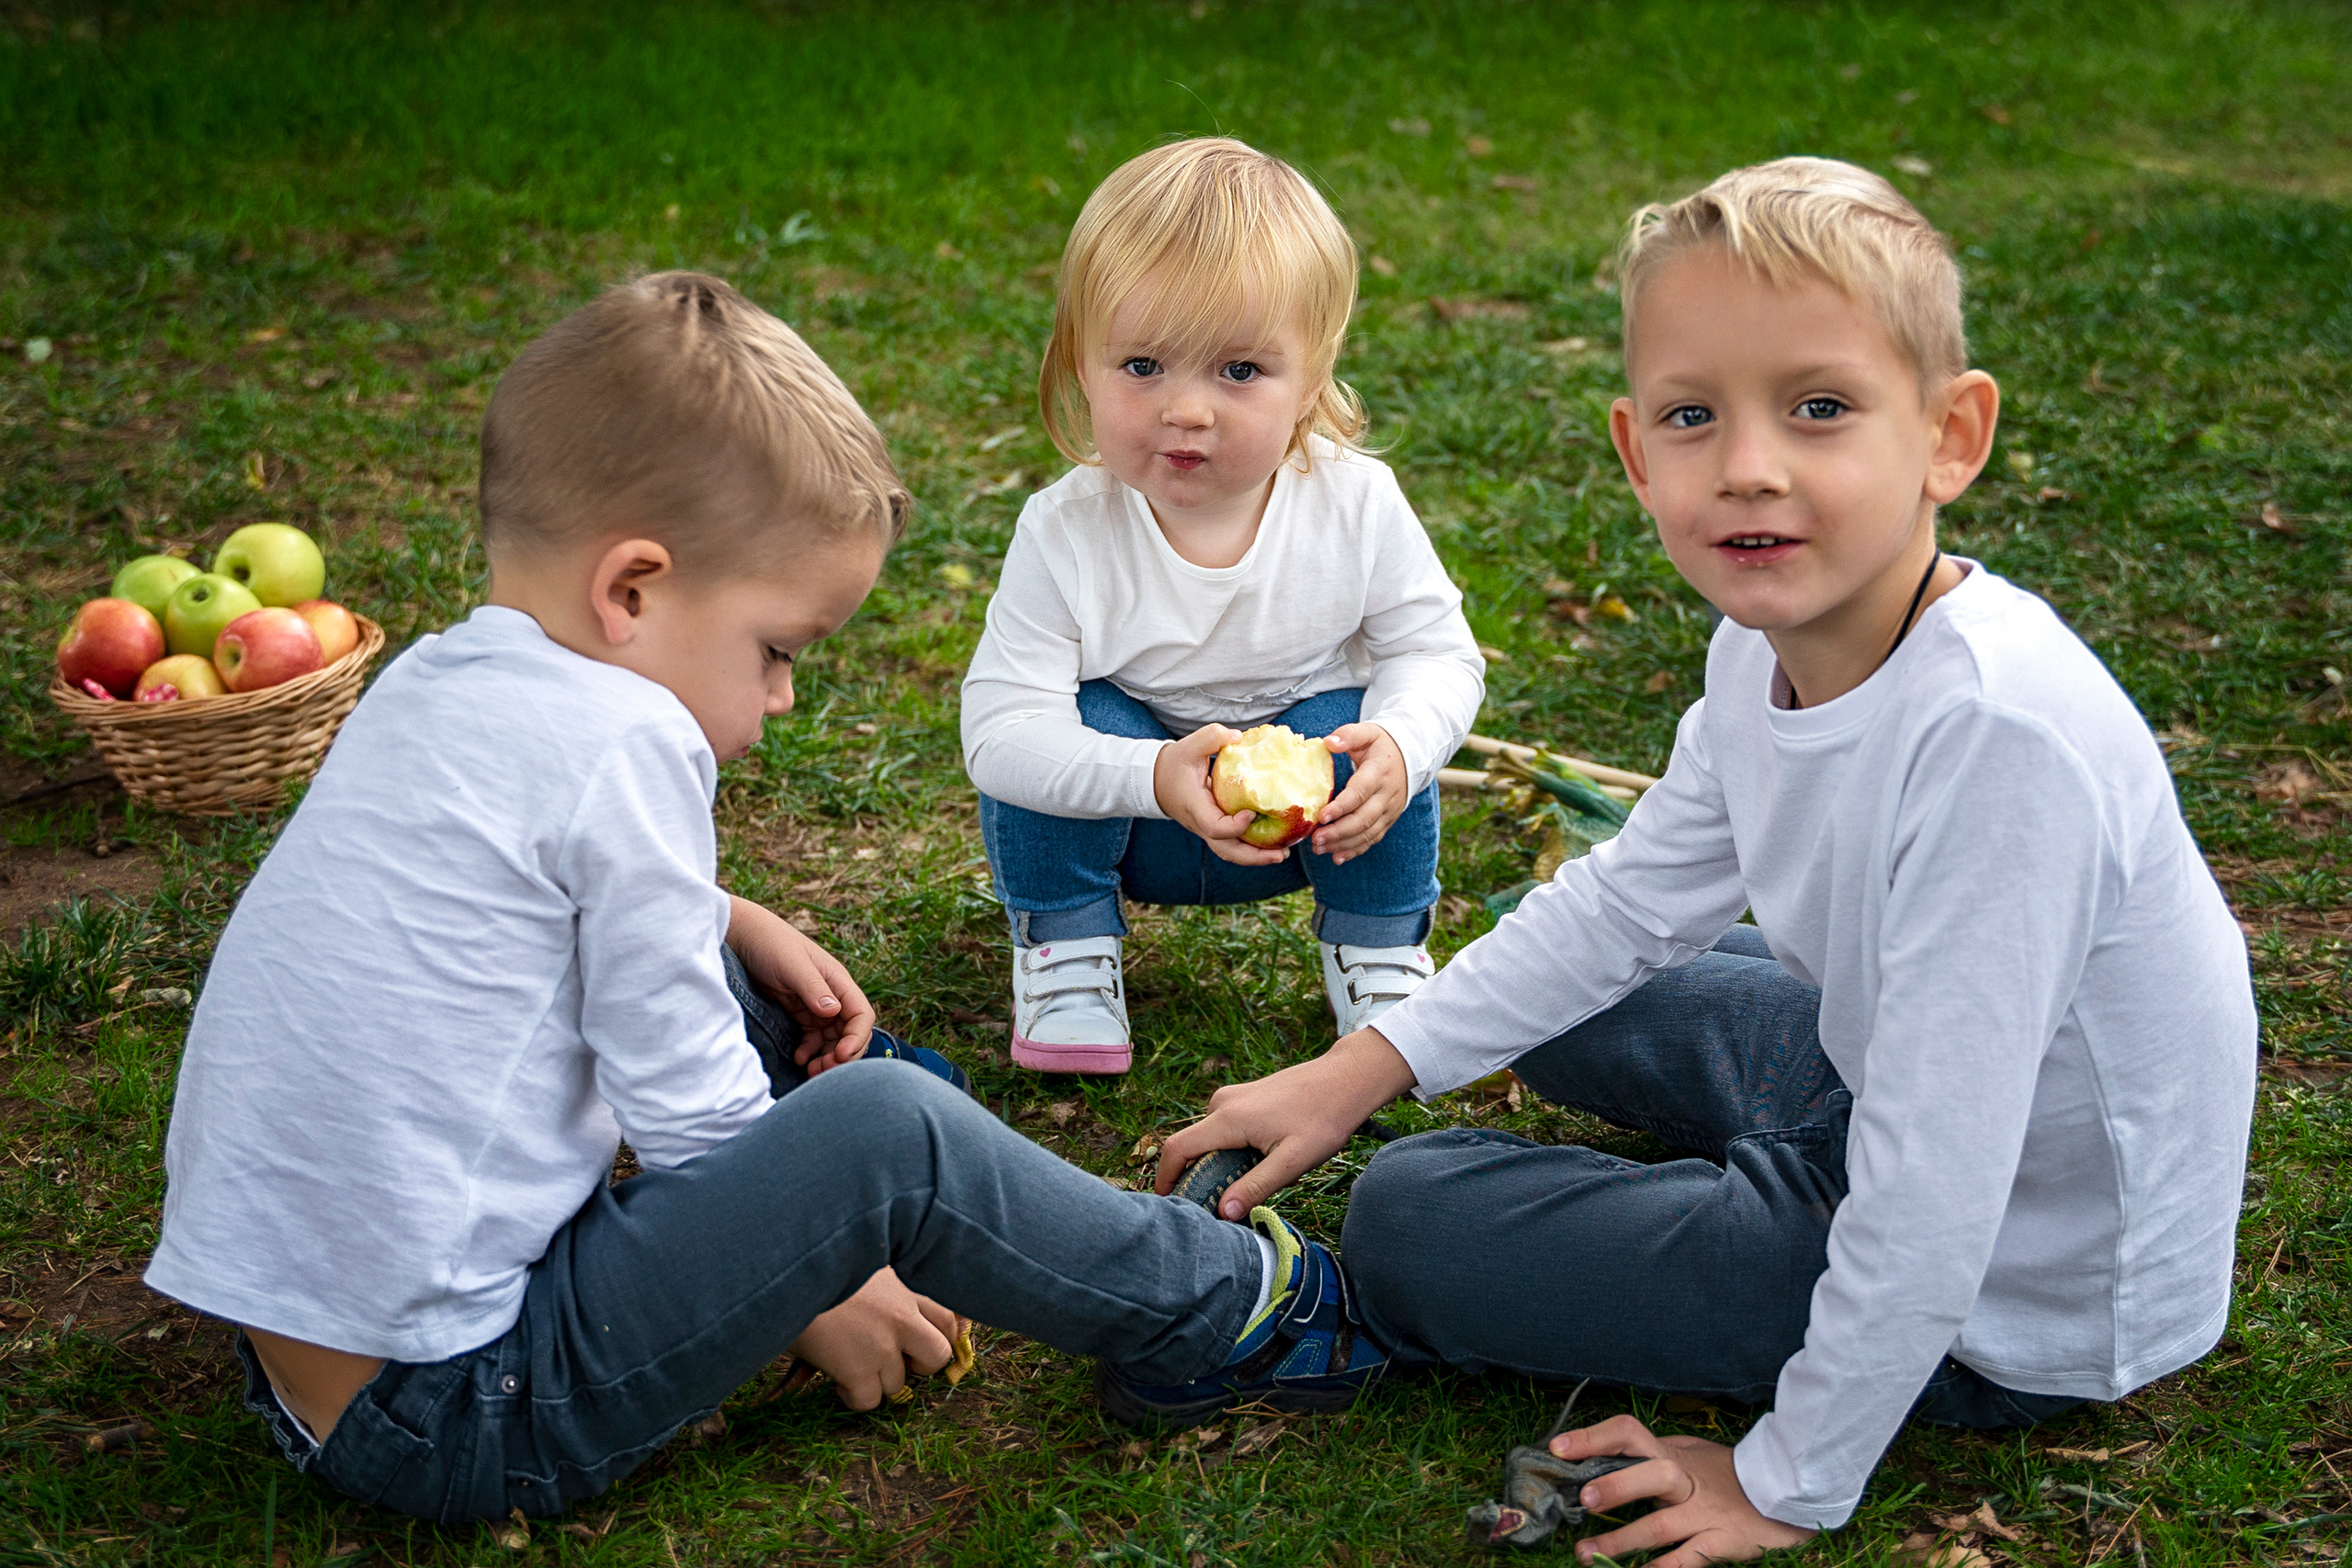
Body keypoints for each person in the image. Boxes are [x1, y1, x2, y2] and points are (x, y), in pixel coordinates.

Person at [142, 273, 1391, 1525]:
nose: (785, 695)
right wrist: (817, 1279)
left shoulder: (434, 679)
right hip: (461, 1405)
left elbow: (496, 899)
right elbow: (687, 1096)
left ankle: (941, 1194)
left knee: (754, 994)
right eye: (776, 649)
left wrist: (722, 912)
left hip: (311, 1351)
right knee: (887, 1129)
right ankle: (1223, 1304)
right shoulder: (622, 738)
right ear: (631, 590)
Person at [1155, 159, 2257, 1566]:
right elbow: (1630, 898)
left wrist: (1785, 1476)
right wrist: (1357, 1068)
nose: (1749, 464)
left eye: (1820, 407)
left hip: (2017, 1274)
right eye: (1694, 415)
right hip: (1890, 1080)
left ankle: (1723, 1240)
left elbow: (1934, 1183)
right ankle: (1699, 1179)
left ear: (1949, 434)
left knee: (1413, 1218)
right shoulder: (1765, 647)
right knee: (1582, 989)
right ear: (1636, 451)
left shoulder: (1998, 745)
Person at [960, 137, 1487, 1076]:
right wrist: (1149, 773)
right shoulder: (1064, 530)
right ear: (1079, 362)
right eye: (1142, 365)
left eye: (1239, 371)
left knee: (1367, 727)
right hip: (1138, 824)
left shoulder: (1355, 502)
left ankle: (1378, 953)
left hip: (1320, 825)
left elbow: (1437, 654)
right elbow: (998, 731)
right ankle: (1068, 947)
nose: (1187, 410)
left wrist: (1402, 745)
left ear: (1313, 377)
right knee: (1058, 727)